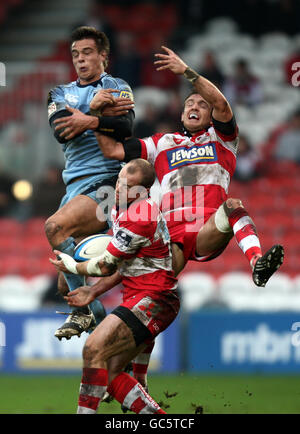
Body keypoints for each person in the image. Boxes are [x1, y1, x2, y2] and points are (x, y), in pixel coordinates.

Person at [93, 45, 284, 288]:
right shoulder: (161, 143)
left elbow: (222, 105)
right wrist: (96, 115)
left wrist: (186, 72)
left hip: (207, 228)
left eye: (202, 105)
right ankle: (91, 295)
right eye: (189, 104)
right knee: (150, 289)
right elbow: (112, 150)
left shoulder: (222, 139)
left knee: (233, 206)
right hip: (170, 235)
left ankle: (257, 262)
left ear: (210, 113)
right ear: (182, 114)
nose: (194, 107)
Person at [50, 159, 179, 414]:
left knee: (93, 348)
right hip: (142, 296)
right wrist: (93, 291)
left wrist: (73, 267)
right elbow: (126, 266)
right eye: (119, 181)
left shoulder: (141, 216)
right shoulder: (121, 209)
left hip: (154, 299)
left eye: (127, 186)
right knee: (107, 370)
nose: (119, 188)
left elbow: (107, 265)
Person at [46, 26, 135, 340]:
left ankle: (82, 313)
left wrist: (86, 118)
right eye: (75, 54)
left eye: (87, 53)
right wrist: (95, 110)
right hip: (74, 188)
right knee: (64, 283)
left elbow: (124, 127)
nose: (80, 60)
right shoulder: (59, 93)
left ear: (103, 56)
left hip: (108, 181)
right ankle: (111, 340)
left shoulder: (117, 86)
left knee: (54, 228)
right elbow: (61, 131)